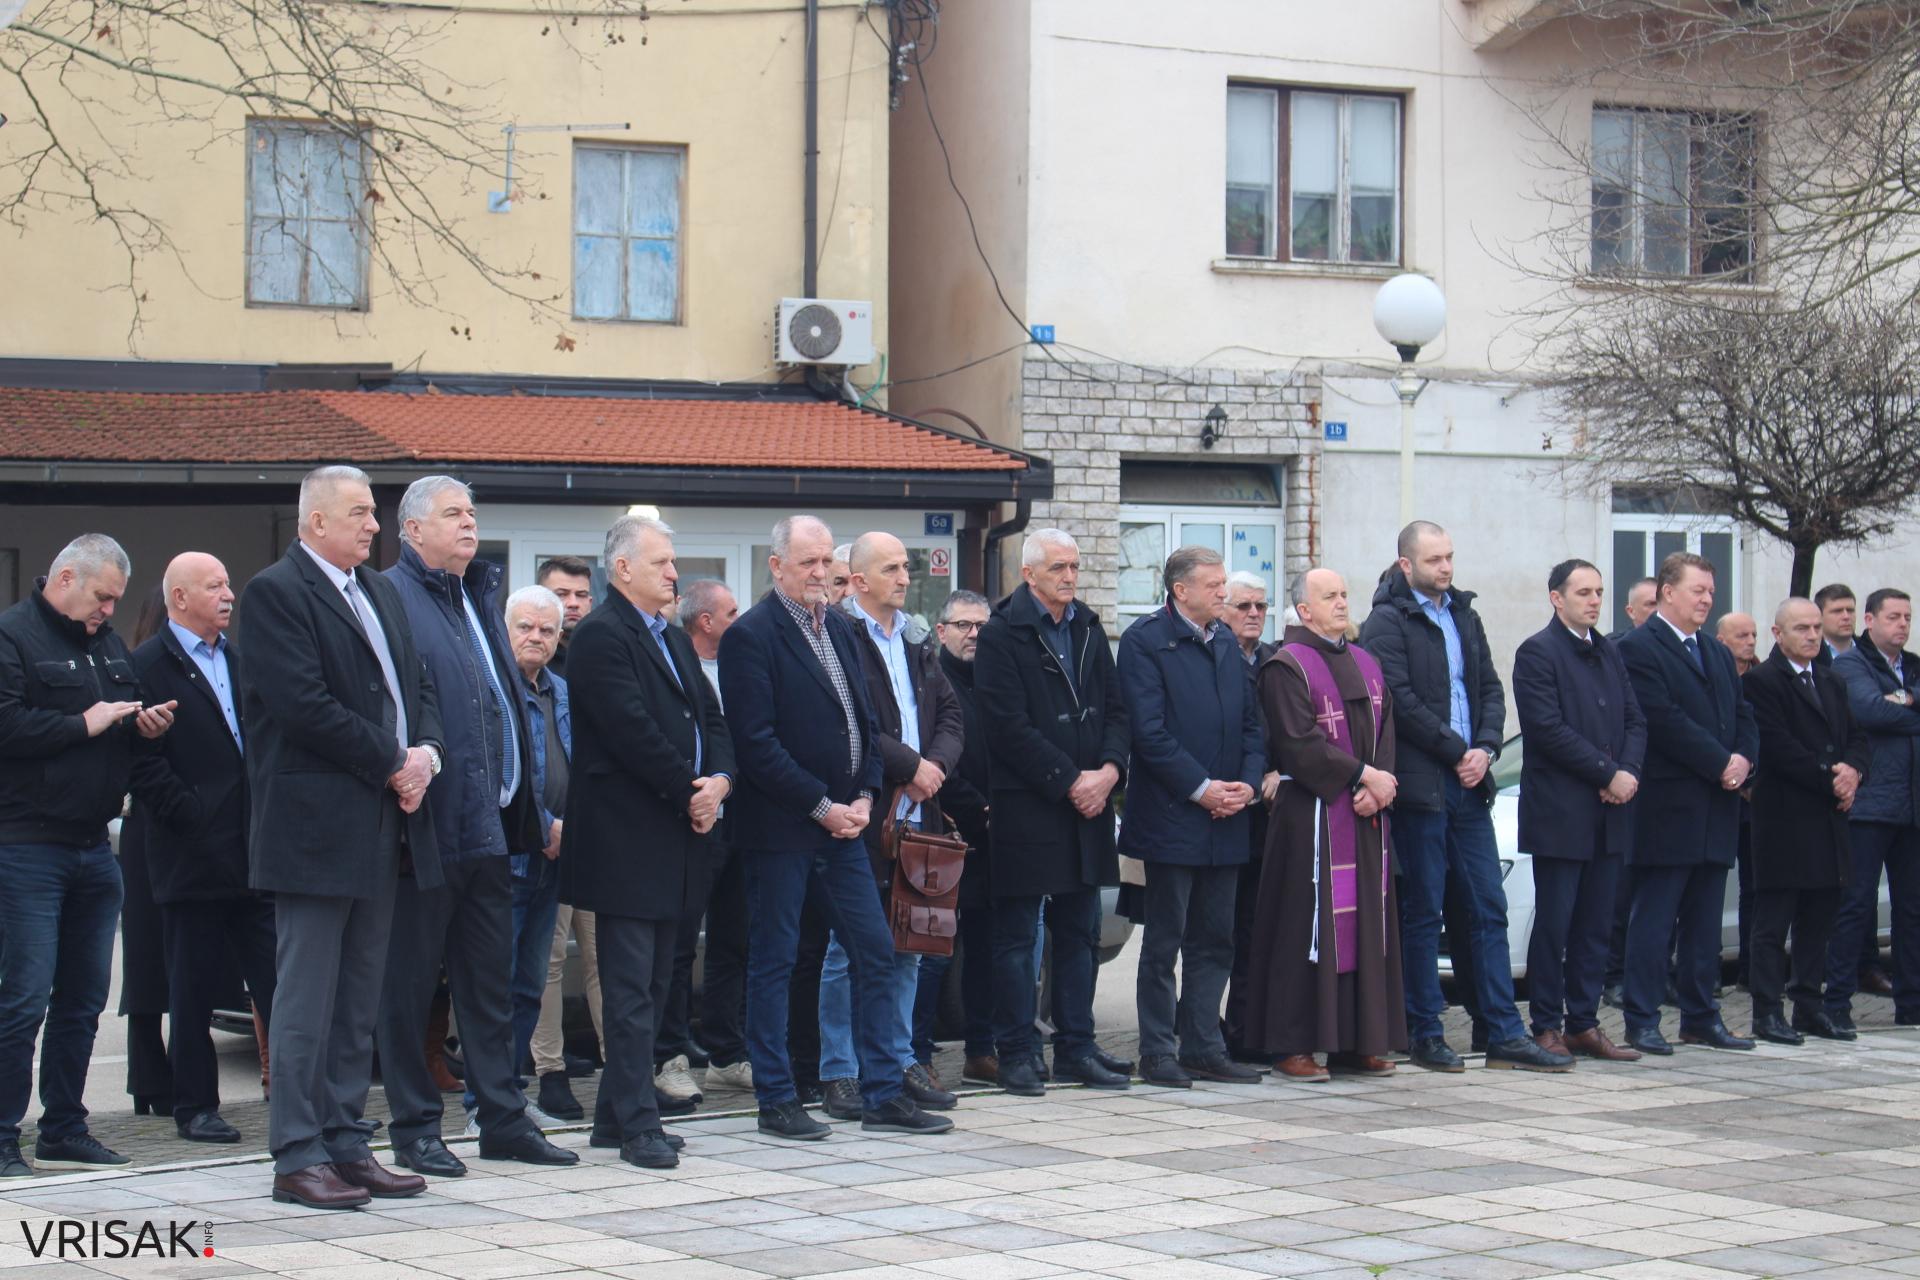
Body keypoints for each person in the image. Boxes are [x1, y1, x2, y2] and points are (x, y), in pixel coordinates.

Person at [239, 466, 439, 1209]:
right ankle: (297, 1153)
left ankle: (346, 1142)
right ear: (315, 521)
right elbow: (303, 706)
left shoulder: (381, 591)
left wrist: (427, 755)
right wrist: (393, 760)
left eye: (372, 512)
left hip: (385, 826)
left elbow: (415, 688)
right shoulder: (275, 595)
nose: (373, 525)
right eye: (358, 512)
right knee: (306, 1000)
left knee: (359, 998)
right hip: (314, 832)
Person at [719, 515, 953, 1140]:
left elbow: (868, 727)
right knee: (774, 961)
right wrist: (824, 805)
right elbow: (757, 745)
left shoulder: (844, 631)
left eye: (827, 562)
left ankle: (881, 1093)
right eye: (807, 563)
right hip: (783, 830)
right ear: (777, 567)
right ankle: (776, 1100)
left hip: (848, 826)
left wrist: (868, 796)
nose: (821, 573)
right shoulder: (752, 636)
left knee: (875, 951)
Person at [378, 476, 574, 1178]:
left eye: (472, 513)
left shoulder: (479, 599)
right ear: (411, 529)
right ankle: (414, 1126)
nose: (469, 523)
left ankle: (502, 1117)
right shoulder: (390, 598)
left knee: (488, 987)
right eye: (453, 514)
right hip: (424, 828)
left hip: (491, 828)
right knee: (409, 989)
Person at [1360, 521, 1570, 1072]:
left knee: (1487, 909)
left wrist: (1485, 748)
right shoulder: (1386, 622)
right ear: (1406, 565)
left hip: (1470, 787)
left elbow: (1490, 689)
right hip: (1423, 789)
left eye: (1450, 557)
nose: (1446, 568)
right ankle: (1425, 1032)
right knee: (1424, 913)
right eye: (1434, 560)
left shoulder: (1463, 614)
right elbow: (1398, 700)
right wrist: (1456, 749)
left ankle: (1501, 1030)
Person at [560, 516, 735, 1169]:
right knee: (631, 990)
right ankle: (637, 1124)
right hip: (628, 840)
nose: (673, 573)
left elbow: (713, 719)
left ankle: (614, 1115)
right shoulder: (602, 636)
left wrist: (718, 780)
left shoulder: (672, 637)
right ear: (622, 569)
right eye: (661, 562)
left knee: (660, 985)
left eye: (673, 562)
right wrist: (689, 789)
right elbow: (629, 729)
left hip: (681, 836)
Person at [0, 534, 175, 1179]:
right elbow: (5, 725)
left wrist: (140, 727)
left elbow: (115, 733)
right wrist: (86, 722)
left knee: (83, 998)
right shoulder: (12, 637)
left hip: (93, 847)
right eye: (102, 597)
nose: (107, 610)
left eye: (115, 601)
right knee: (22, 997)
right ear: (66, 577)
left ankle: (65, 1128)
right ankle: (1, 1137)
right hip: (25, 845)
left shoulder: (107, 647)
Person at [975, 529, 1133, 1097]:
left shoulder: (1089, 627)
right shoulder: (1001, 634)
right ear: (1029, 574)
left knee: (1081, 932)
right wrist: (1070, 781)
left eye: (1075, 565)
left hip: (1089, 803)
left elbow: (1117, 709)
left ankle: (1076, 1048)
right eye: (1059, 567)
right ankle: (1016, 1051)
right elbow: (1005, 726)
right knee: (1019, 939)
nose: (1070, 576)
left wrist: (1110, 772)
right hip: (1031, 804)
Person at [129, 552, 276, 1143]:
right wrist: (190, 813)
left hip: (251, 849)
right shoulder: (144, 666)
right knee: (190, 987)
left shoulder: (238, 661)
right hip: (190, 852)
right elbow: (141, 761)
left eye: (229, 583)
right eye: (215, 585)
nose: (229, 595)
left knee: (277, 983)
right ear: (179, 597)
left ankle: (305, 1100)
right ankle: (195, 1107)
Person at [1244, 568, 1402, 1080]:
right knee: (1303, 927)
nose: (1340, 602)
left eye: (1343, 593)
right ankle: (1295, 1044)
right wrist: (1362, 777)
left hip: (1362, 815)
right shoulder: (1286, 666)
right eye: (1328, 596)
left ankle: (1358, 1040)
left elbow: (1386, 735)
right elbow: (1298, 742)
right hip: (1310, 818)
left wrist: (1377, 786)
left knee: (1365, 927)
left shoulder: (1366, 663)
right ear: (1304, 611)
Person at [1117, 548, 1264, 1087]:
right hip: (1172, 818)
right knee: (1164, 940)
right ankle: (1157, 1050)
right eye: (1214, 585)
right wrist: (1201, 789)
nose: (1223, 594)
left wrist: (1246, 784)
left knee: (1215, 937)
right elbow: (1149, 733)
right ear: (1181, 590)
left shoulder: (1224, 641)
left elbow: (1252, 726)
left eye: (1224, 584)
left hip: (1227, 818)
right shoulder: (1145, 642)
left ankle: (1204, 1044)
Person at [829, 530, 963, 1112]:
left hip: (918, 814)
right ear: (858, 580)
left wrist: (933, 769)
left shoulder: (913, 637)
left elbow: (952, 713)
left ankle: (900, 1059)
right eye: (891, 568)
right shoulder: (838, 634)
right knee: (847, 949)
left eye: (906, 566)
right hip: (864, 813)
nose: (906, 577)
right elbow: (846, 720)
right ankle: (840, 1070)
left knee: (910, 940)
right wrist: (908, 766)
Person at [1617, 552, 1759, 1055]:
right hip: (1667, 809)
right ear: (1668, 592)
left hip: (1716, 808)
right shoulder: (1639, 648)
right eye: (1697, 590)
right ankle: (1642, 1018)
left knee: (1704, 923)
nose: (1705, 600)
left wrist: (1744, 759)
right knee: (1655, 921)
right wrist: (1721, 761)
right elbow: (1662, 719)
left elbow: (1743, 713)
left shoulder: (1717, 653)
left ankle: (1701, 1016)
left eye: (1710, 592)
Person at [1511, 559, 1646, 1063]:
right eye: (1583, 592)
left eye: (1599, 592)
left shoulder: (1608, 650)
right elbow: (1546, 729)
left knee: (1597, 924)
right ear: (1556, 597)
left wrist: (1626, 772)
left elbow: (1634, 718)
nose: (1594, 600)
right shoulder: (1538, 652)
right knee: (1556, 923)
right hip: (1561, 813)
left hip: (1609, 811)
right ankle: (1545, 1023)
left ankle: (1584, 1022)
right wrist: (1605, 773)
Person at [1743, 598, 1869, 1045]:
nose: (1813, 635)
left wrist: (1853, 770)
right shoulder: (1763, 682)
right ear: (1778, 634)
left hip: (1828, 819)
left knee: (1820, 918)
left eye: (1817, 627)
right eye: (1802, 628)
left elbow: (1855, 737)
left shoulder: (1831, 681)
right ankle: (1766, 1010)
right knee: (1774, 921)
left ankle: (1809, 1006)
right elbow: (1776, 746)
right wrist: (1831, 776)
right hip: (1784, 818)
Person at [499, 586, 581, 1121]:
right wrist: (545, 824)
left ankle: (511, 1098)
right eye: (526, 627)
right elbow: (500, 775)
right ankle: (491, 1102)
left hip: (558, 862)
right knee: (497, 988)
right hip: (508, 860)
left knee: (530, 986)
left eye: (547, 630)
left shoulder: (563, 692)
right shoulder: (495, 689)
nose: (536, 638)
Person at [672, 578, 752, 1095]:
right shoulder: (676, 663)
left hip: (740, 823)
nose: (739, 620)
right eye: (731, 612)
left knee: (734, 943)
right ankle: (673, 1056)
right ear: (706, 621)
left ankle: (727, 1052)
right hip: (691, 823)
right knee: (678, 946)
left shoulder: (740, 666)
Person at [1827, 588, 1920, 1031]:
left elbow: (1890, 713)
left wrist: (1902, 701)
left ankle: (1912, 1006)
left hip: (1912, 807)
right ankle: (1838, 1005)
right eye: (1893, 617)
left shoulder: (1914, 666)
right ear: (1869, 620)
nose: (1902, 625)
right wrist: (1904, 705)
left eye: (1907, 617)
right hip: (1868, 806)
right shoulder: (1850, 664)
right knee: (1856, 906)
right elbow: (1868, 711)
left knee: (1913, 910)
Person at [928, 590, 997, 1084]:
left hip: (994, 840)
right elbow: (934, 756)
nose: (974, 635)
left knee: (985, 952)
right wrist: (976, 805)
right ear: (941, 631)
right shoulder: (929, 678)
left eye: (981, 626)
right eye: (964, 625)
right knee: (931, 955)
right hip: (942, 835)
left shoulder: (998, 683)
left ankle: (981, 1050)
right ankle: (917, 1055)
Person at [1815, 583, 1893, 996]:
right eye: (1837, 611)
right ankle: (1837, 979)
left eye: (1849, 609)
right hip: (1835, 784)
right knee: (1850, 891)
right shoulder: (1827, 660)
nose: (1844, 617)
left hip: (1871, 783)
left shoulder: (1874, 660)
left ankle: (1866, 966)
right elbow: (1870, 711)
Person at [117, 585, 174, 1119]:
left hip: (141, 828)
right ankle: (163, 1077)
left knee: (145, 956)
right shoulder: (151, 670)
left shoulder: (131, 663)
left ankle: (146, 1078)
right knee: (166, 955)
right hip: (164, 823)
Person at [1223, 571, 1280, 1059]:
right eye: (1243, 606)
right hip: (1219, 808)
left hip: (1266, 816)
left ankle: (1245, 1032)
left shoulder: (1272, 660)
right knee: (1209, 933)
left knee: (1253, 928)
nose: (1255, 615)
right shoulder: (1215, 654)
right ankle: (1197, 1029)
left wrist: (1275, 771)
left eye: (1261, 606)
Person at [1716, 611, 1760, 986]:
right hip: (1718, 790)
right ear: (1721, 640)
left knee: (1753, 886)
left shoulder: (1760, 680)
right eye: (1741, 635)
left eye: (1753, 635)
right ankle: (1706, 967)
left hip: (1753, 801)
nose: (1749, 642)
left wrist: (1749, 769)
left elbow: (1756, 730)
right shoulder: (1712, 675)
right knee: (1707, 887)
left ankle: (1750, 966)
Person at [538, 556, 595, 680]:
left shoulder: (607, 654)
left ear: (590, 603)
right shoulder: (527, 658)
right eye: (562, 594)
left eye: (581, 595)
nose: (573, 603)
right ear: (541, 599)